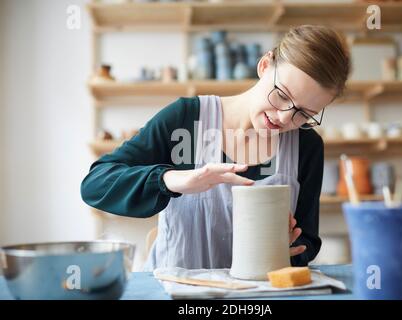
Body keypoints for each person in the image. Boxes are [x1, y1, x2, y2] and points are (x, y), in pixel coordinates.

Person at [81, 25, 351, 271]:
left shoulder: (307, 146)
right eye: (281, 95)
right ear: (265, 65)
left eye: (303, 113)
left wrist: (289, 248)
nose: (284, 117)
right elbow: (95, 184)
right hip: (176, 292)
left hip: (259, 297)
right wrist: (174, 179)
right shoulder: (185, 120)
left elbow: (307, 241)